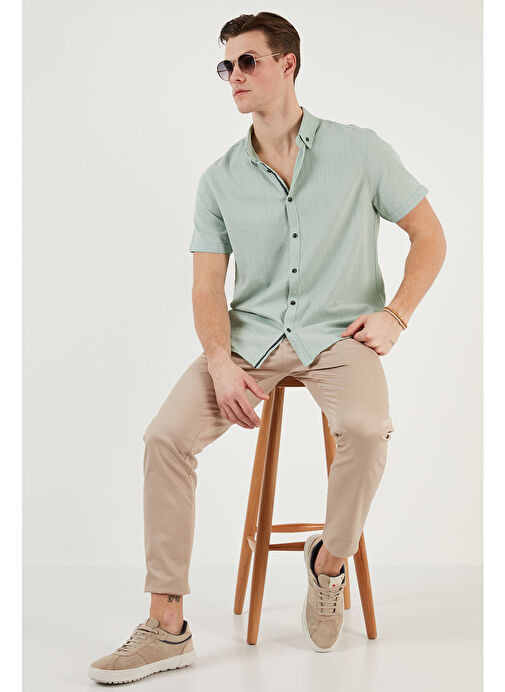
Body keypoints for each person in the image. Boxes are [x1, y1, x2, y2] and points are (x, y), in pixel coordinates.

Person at [88, 10, 446, 684]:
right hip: (250, 340)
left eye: (247, 61)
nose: (234, 76)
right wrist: (220, 363)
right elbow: (206, 287)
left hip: (338, 335)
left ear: (288, 64)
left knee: (366, 429)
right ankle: (166, 626)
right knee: (164, 438)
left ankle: (328, 563)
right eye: (226, 66)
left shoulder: (360, 151)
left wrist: (396, 315)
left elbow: (430, 235)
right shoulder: (219, 178)